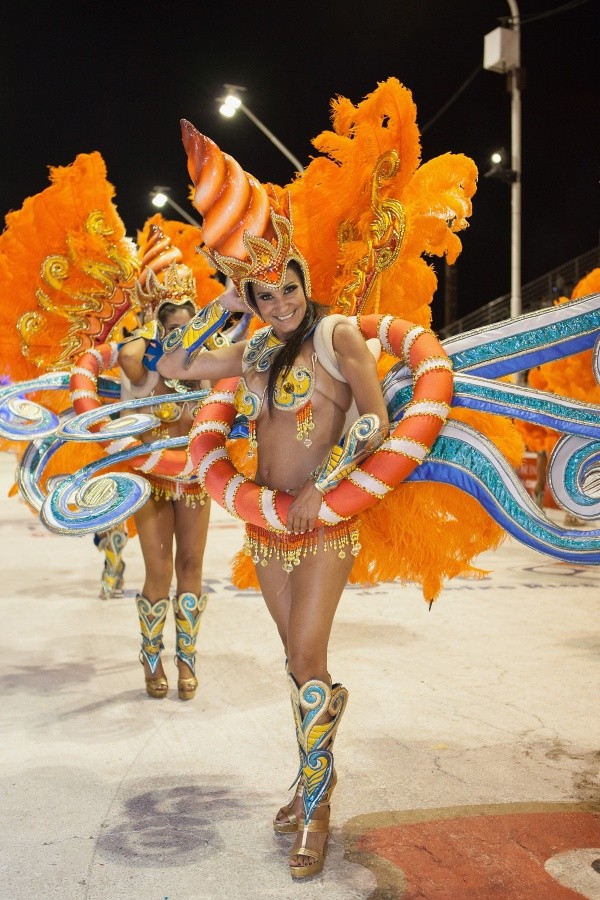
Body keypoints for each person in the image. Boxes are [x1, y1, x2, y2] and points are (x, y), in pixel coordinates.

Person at [158, 238, 390, 876]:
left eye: (289, 288)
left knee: (307, 657)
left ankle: (317, 807)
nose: (281, 303)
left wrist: (322, 486)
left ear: (305, 284)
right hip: (266, 529)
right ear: (254, 302)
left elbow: (375, 421)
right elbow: (175, 363)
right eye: (265, 295)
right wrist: (222, 307)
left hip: (323, 524)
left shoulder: (337, 336)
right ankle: (314, 776)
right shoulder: (256, 349)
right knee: (295, 661)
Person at [119, 262, 212, 701]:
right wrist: (151, 322)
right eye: (173, 328)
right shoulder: (145, 366)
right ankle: (151, 656)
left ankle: (186, 658)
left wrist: (202, 336)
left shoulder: (205, 363)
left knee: (191, 566)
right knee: (158, 570)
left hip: (193, 479)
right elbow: (127, 356)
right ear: (158, 329)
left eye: (189, 327)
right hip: (153, 479)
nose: (182, 336)